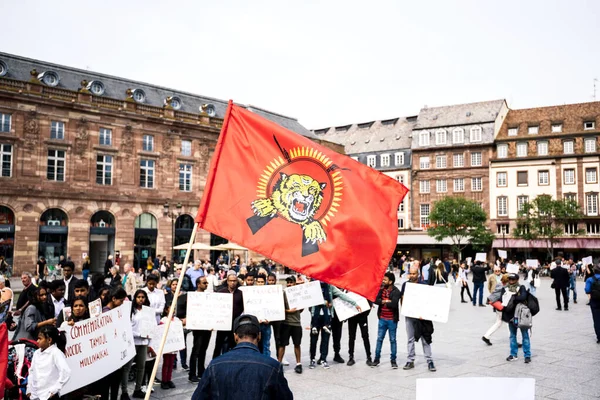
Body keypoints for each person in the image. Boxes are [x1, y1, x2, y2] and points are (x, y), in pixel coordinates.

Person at [192, 314, 293, 400]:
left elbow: (198, 397)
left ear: (235, 336)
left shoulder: (215, 365)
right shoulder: (273, 366)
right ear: (259, 336)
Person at [400, 266, 436, 371]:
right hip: (410, 315)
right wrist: (405, 310)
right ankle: (410, 360)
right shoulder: (405, 285)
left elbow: (428, 301)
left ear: (418, 274)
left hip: (421, 316)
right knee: (410, 338)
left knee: (425, 339)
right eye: (410, 273)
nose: (412, 275)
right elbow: (402, 298)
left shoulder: (423, 285)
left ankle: (429, 361)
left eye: (414, 273)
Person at [182, 276, 213, 382]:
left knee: (203, 350)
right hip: (198, 328)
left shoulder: (208, 296)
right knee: (196, 350)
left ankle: (201, 371)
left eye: (207, 283)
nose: (206, 284)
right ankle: (192, 373)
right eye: (204, 283)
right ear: (198, 284)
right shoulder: (193, 296)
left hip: (207, 328)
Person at [27, 326, 70, 400]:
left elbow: (66, 372)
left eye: (40, 339)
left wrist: (54, 390)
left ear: (49, 340)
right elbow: (32, 371)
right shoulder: (36, 353)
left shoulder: (55, 353)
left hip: (48, 396)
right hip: (35, 396)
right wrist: (29, 389)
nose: (37, 341)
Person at [372, 272, 400, 368]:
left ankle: (393, 360)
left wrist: (384, 302)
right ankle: (376, 359)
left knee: (392, 340)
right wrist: (385, 301)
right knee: (379, 339)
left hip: (392, 320)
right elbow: (375, 300)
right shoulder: (381, 289)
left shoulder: (396, 291)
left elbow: (394, 304)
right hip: (382, 319)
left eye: (385, 280)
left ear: (391, 281)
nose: (383, 281)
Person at [501, 273, 531, 363]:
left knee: (525, 335)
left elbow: (523, 297)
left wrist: (511, 297)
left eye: (513, 280)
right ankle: (513, 354)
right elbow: (500, 299)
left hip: (521, 316)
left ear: (517, 280)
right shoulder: (505, 288)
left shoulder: (521, 287)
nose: (511, 281)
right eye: (509, 279)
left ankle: (527, 355)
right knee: (512, 336)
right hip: (510, 316)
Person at [128, 290, 152, 399]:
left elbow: (152, 326)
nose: (141, 299)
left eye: (143, 297)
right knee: (128, 367)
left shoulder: (148, 311)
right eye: (138, 297)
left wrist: (149, 340)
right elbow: (128, 328)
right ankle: (124, 390)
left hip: (144, 343)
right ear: (135, 298)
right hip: (133, 342)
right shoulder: (131, 311)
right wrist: (139, 334)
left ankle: (138, 389)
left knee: (141, 367)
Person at [277, 277, 303, 374]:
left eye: (291, 282)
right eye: (288, 282)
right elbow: (279, 308)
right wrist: (289, 311)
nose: (289, 284)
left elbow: (301, 310)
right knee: (282, 344)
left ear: (294, 284)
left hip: (296, 323)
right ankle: (279, 364)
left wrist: (301, 307)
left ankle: (298, 364)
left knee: (297, 344)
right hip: (285, 323)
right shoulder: (283, 294)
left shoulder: (298, 294)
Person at [482, 273, 509, 345]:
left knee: (499, 323)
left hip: (497, 306)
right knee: (509, 323)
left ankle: (486, 336)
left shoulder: (499, 284)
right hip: (501, 306)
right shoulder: (505, 287)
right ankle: (513, 340)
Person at [346, 297, 372, 367]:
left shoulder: (364, 289)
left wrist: (366, 312)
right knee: (351, 336)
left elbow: (370, 300)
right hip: (352, 316)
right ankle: (351, 356)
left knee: (365, 336)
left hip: (362, 316)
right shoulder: (349, 289)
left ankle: (369, 356)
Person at [584, 264, 600, 343]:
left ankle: (599, 337)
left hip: (594, 300)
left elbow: (587, 290)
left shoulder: (590, 279)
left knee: (596, 319)